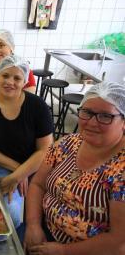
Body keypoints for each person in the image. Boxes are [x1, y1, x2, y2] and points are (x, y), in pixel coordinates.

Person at [24, 82, 125, 255]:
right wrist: (33, 225)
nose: (92, 122)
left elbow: (119, 241)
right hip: (44, 233)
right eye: (87, 112)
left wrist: (63, 251)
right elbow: (38, 184)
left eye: (105, 116)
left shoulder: (120, 170)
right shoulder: (67, 143)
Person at [0, 55, 54, 239]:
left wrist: (21, 174)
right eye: (5, 76)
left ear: (25, 81)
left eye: (17, 78)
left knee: (16, 218)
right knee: (5, 216)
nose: (10, 82)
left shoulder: (37, 106)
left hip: (35, 167)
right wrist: (17, 171)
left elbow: (45, 150)